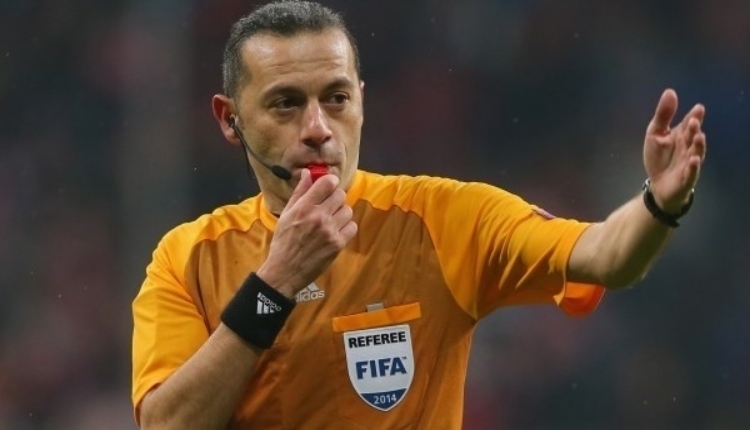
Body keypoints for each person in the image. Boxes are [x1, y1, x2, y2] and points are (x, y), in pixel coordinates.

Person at [131, 1, 707, 428]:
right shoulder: (187, 258)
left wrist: (659, 202)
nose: (318, 128)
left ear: (362, 99)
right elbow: (167, 425)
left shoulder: (442, 217)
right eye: (286, 103)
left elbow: (607, 257)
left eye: (336, 98)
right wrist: (275, 284)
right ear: (229, 119)